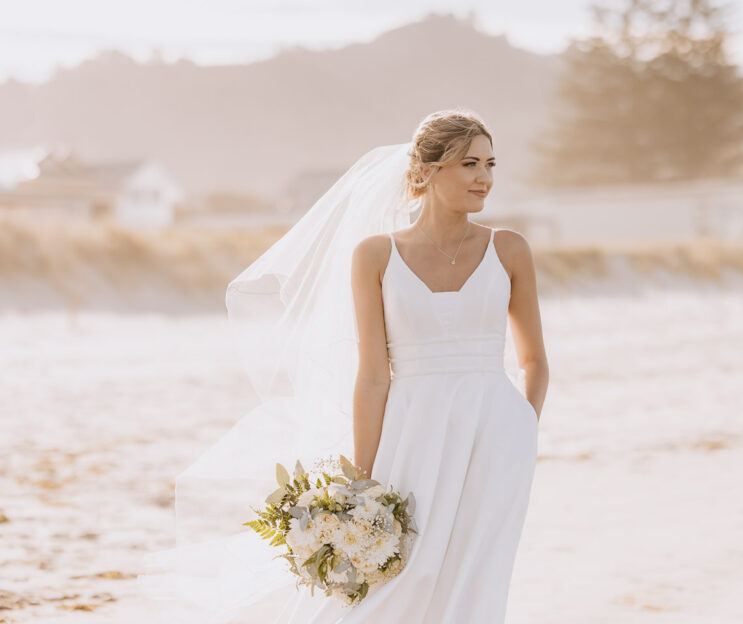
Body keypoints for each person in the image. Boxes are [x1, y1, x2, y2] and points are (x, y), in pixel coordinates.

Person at [138, 109, 546, 623]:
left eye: (490, 163)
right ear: (425, 171)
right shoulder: (376, 255)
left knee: (477, 578)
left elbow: (534, 360)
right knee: (402, 577)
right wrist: (362, 477)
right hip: (411, 432)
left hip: (499, 439)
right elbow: (374, 374)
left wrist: (523, 428)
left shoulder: (509, 249)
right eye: (468, 164)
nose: (484, 177)